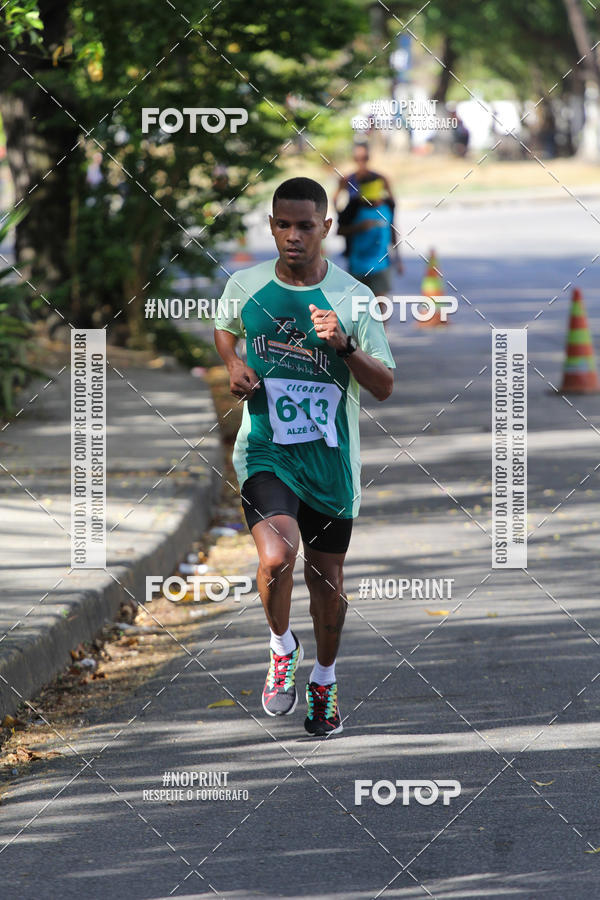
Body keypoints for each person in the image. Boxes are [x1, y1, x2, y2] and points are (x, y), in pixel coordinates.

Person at [214, 177, 395, 737]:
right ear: (271, 226)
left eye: (305, 226)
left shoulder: (353, 298)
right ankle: (279, 646)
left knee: (329, 581)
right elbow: (225, 330)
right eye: (283, 225)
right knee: (275, 556)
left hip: (330, 463)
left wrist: (344, 345)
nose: (294, 236)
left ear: (326, 228)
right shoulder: (244, 285)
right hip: (267, 450)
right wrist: (233, 366)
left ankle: (324, 678)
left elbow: (385, 385)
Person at [338, 176, 402, 299]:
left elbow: (393, 230)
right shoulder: (353, 207)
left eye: (375, 200)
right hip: (357, 265)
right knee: (359, 304)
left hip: (381, 264)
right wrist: (358, 228)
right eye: (369, 200)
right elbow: (339, 230)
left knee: (381, 303)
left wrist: (398, 259)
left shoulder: (388, 205)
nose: (374, 203)